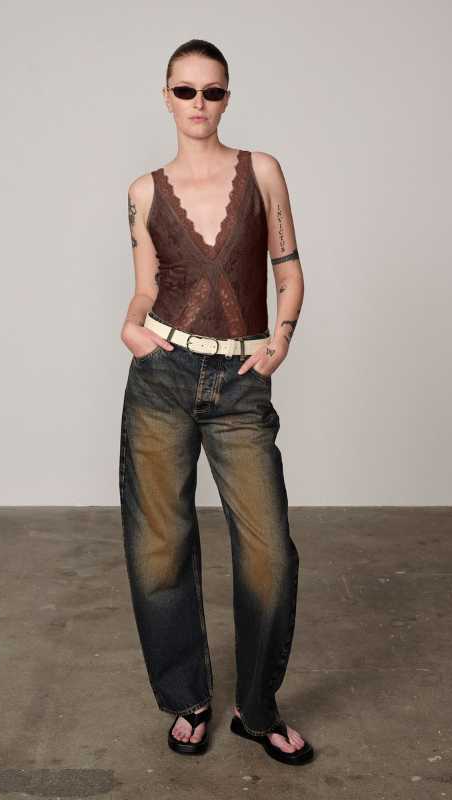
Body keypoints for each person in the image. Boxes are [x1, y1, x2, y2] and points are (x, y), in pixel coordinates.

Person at [119, 39, 313, 767]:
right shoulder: (143, 191)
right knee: (159, 547)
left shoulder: (262, 171)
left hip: (240, 383)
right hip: (162, 378)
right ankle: (188, 698)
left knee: (269, 553)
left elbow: (288, 269)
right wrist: (131, 326)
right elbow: (146, 284)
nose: (198, 103)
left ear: (227, 98)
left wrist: (281, 338)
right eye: (186, 90)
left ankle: (256, 710)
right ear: (166, 97)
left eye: (212, 91)